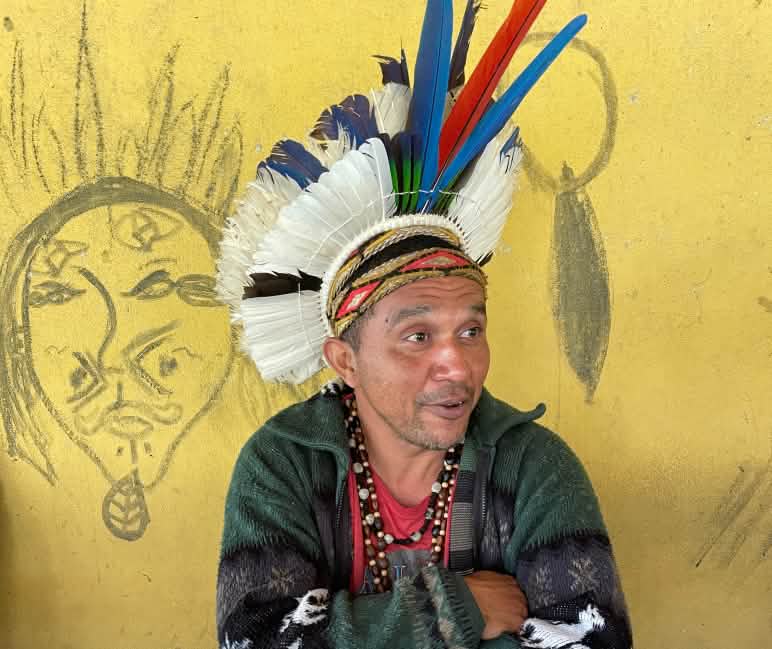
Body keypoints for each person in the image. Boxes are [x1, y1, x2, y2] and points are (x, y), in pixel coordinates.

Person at [214, 2, 632, 647]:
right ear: (345, 359)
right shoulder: (286, 464)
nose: (458, 365)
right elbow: (255, 640)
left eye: (471, 330)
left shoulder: (533, 467)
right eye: (417, 336)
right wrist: (455, 610)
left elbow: (593, 640)